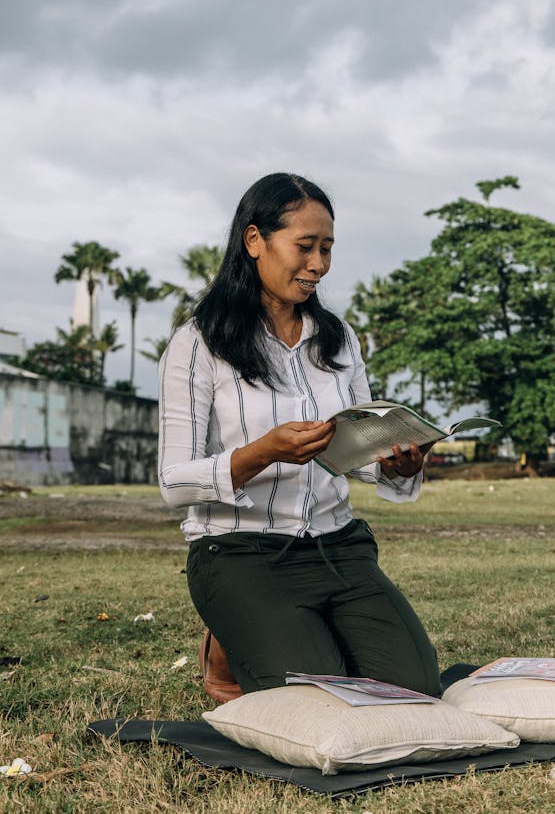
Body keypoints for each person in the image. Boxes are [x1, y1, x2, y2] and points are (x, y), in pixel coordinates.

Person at [158, 173, 441, 698]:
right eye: (305, 247)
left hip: (338, 547)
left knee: (416, 691)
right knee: (317, 700)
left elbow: (351, 450)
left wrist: (394, 463)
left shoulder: (336, 339)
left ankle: (301, 629)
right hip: (242, 553)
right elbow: (174, 483)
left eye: (327, 249)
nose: (318, 265)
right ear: (254, 241)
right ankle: (225, 642)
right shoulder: (198, 342)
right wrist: (264, 452)